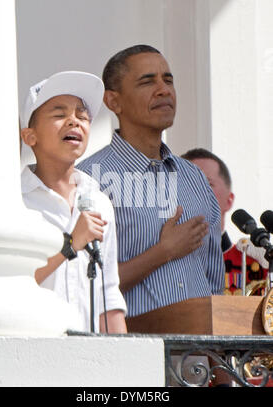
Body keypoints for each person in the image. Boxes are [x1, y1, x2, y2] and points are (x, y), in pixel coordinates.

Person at [77, 44, 225, 318]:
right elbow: (82, 286)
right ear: (113, 101)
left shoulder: (194, 178)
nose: (163, 90)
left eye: (168, 80)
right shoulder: (89, 179)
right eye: (147, 81)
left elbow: (213, 281)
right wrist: (163, 252)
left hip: (200, 356)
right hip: (135, 353)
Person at [20, 71, 127, 333]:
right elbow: (12, 283)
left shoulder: (99, 202)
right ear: (29, 136)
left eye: (82, 115)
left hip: (89, 355)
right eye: (59, 114)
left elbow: (108, 294)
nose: (74, 122)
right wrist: (70, 243)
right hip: (32, 350)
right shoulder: (16, 201)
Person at [181, 148, 268, 295]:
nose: (194, 193)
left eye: (207, 184)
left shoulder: (251, 264)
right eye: (186, 185)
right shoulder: (158, 262)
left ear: (229, 200)